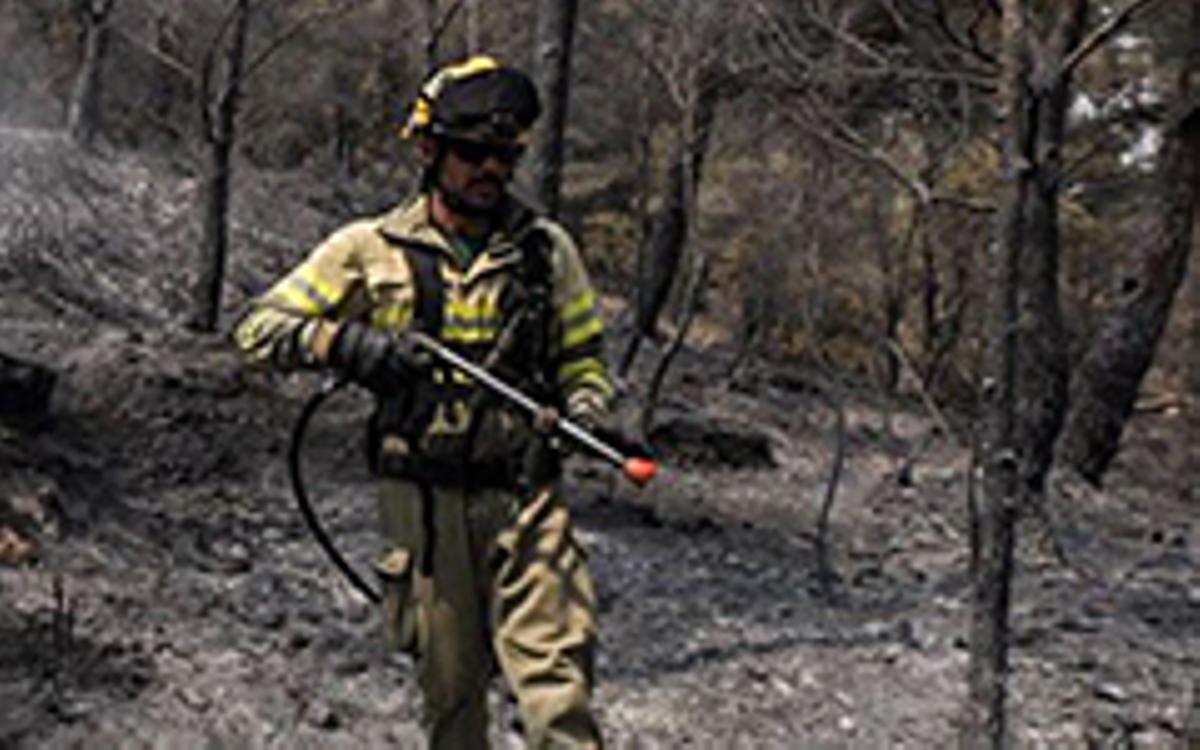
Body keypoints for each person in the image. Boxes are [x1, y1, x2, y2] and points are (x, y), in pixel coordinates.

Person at [234, 56, 613, 749]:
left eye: (504, 154)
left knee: (559, 697)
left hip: (527, 500)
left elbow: (585, 361)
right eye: (472, 152)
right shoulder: (367, 249)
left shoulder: (546, 252)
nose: (489, 168)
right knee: (451, 698)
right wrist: (350, 346)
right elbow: (259, 329)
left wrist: (587, 411)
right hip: (423, 509)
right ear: (431, 150)